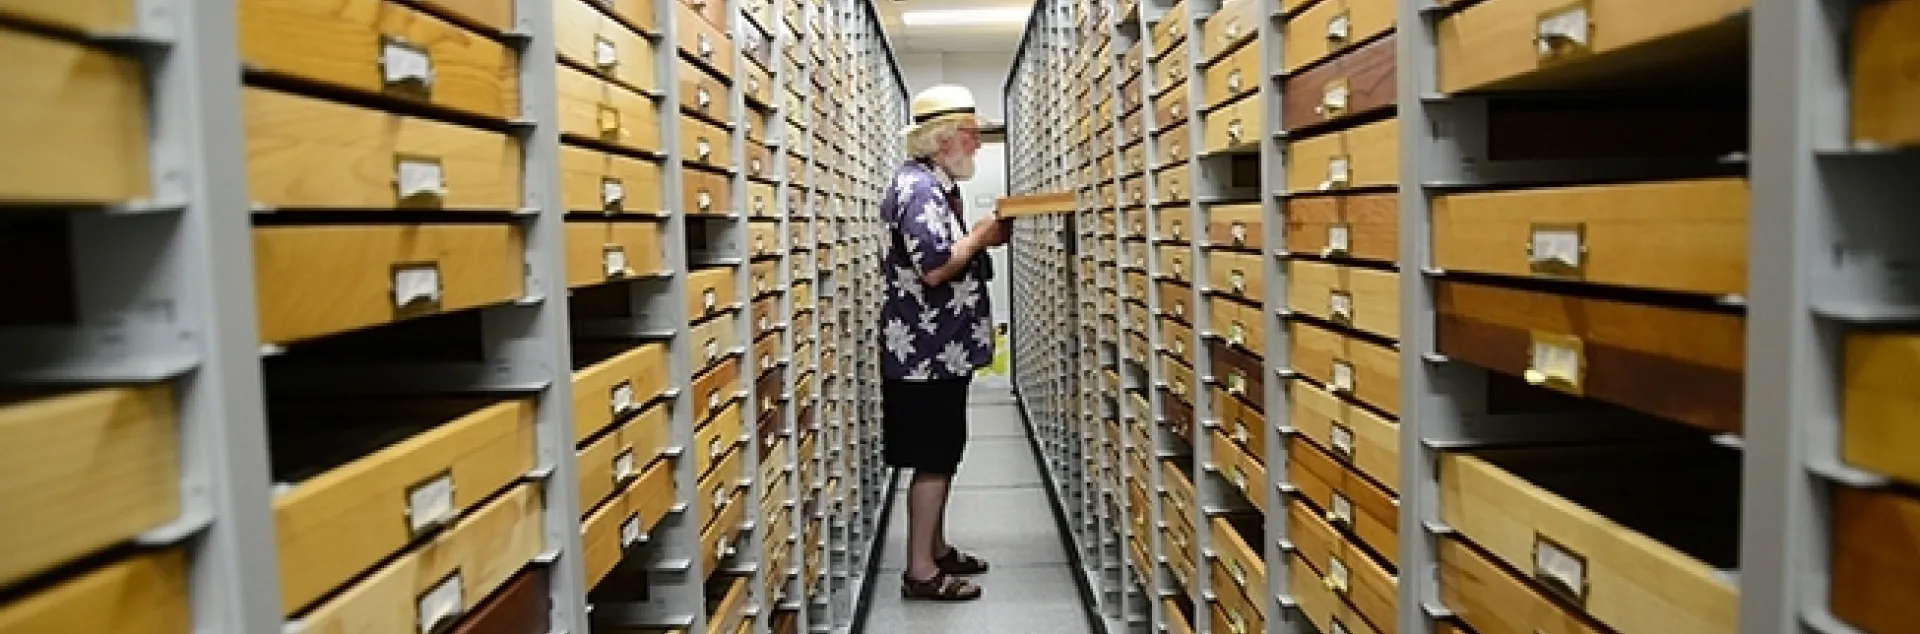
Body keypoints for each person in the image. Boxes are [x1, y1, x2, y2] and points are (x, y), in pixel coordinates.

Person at [879, 84, 1008, 602]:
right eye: (971, 135)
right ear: (942, 139)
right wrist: (979, 236)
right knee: (933, 457)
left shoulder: (931, 186)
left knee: (943, 454)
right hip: (924, 355)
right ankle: (921, 573)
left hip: (938, 350)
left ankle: (935, 549)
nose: (977, 145)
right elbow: (934, 267)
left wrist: (982, 239)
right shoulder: (918, 191)